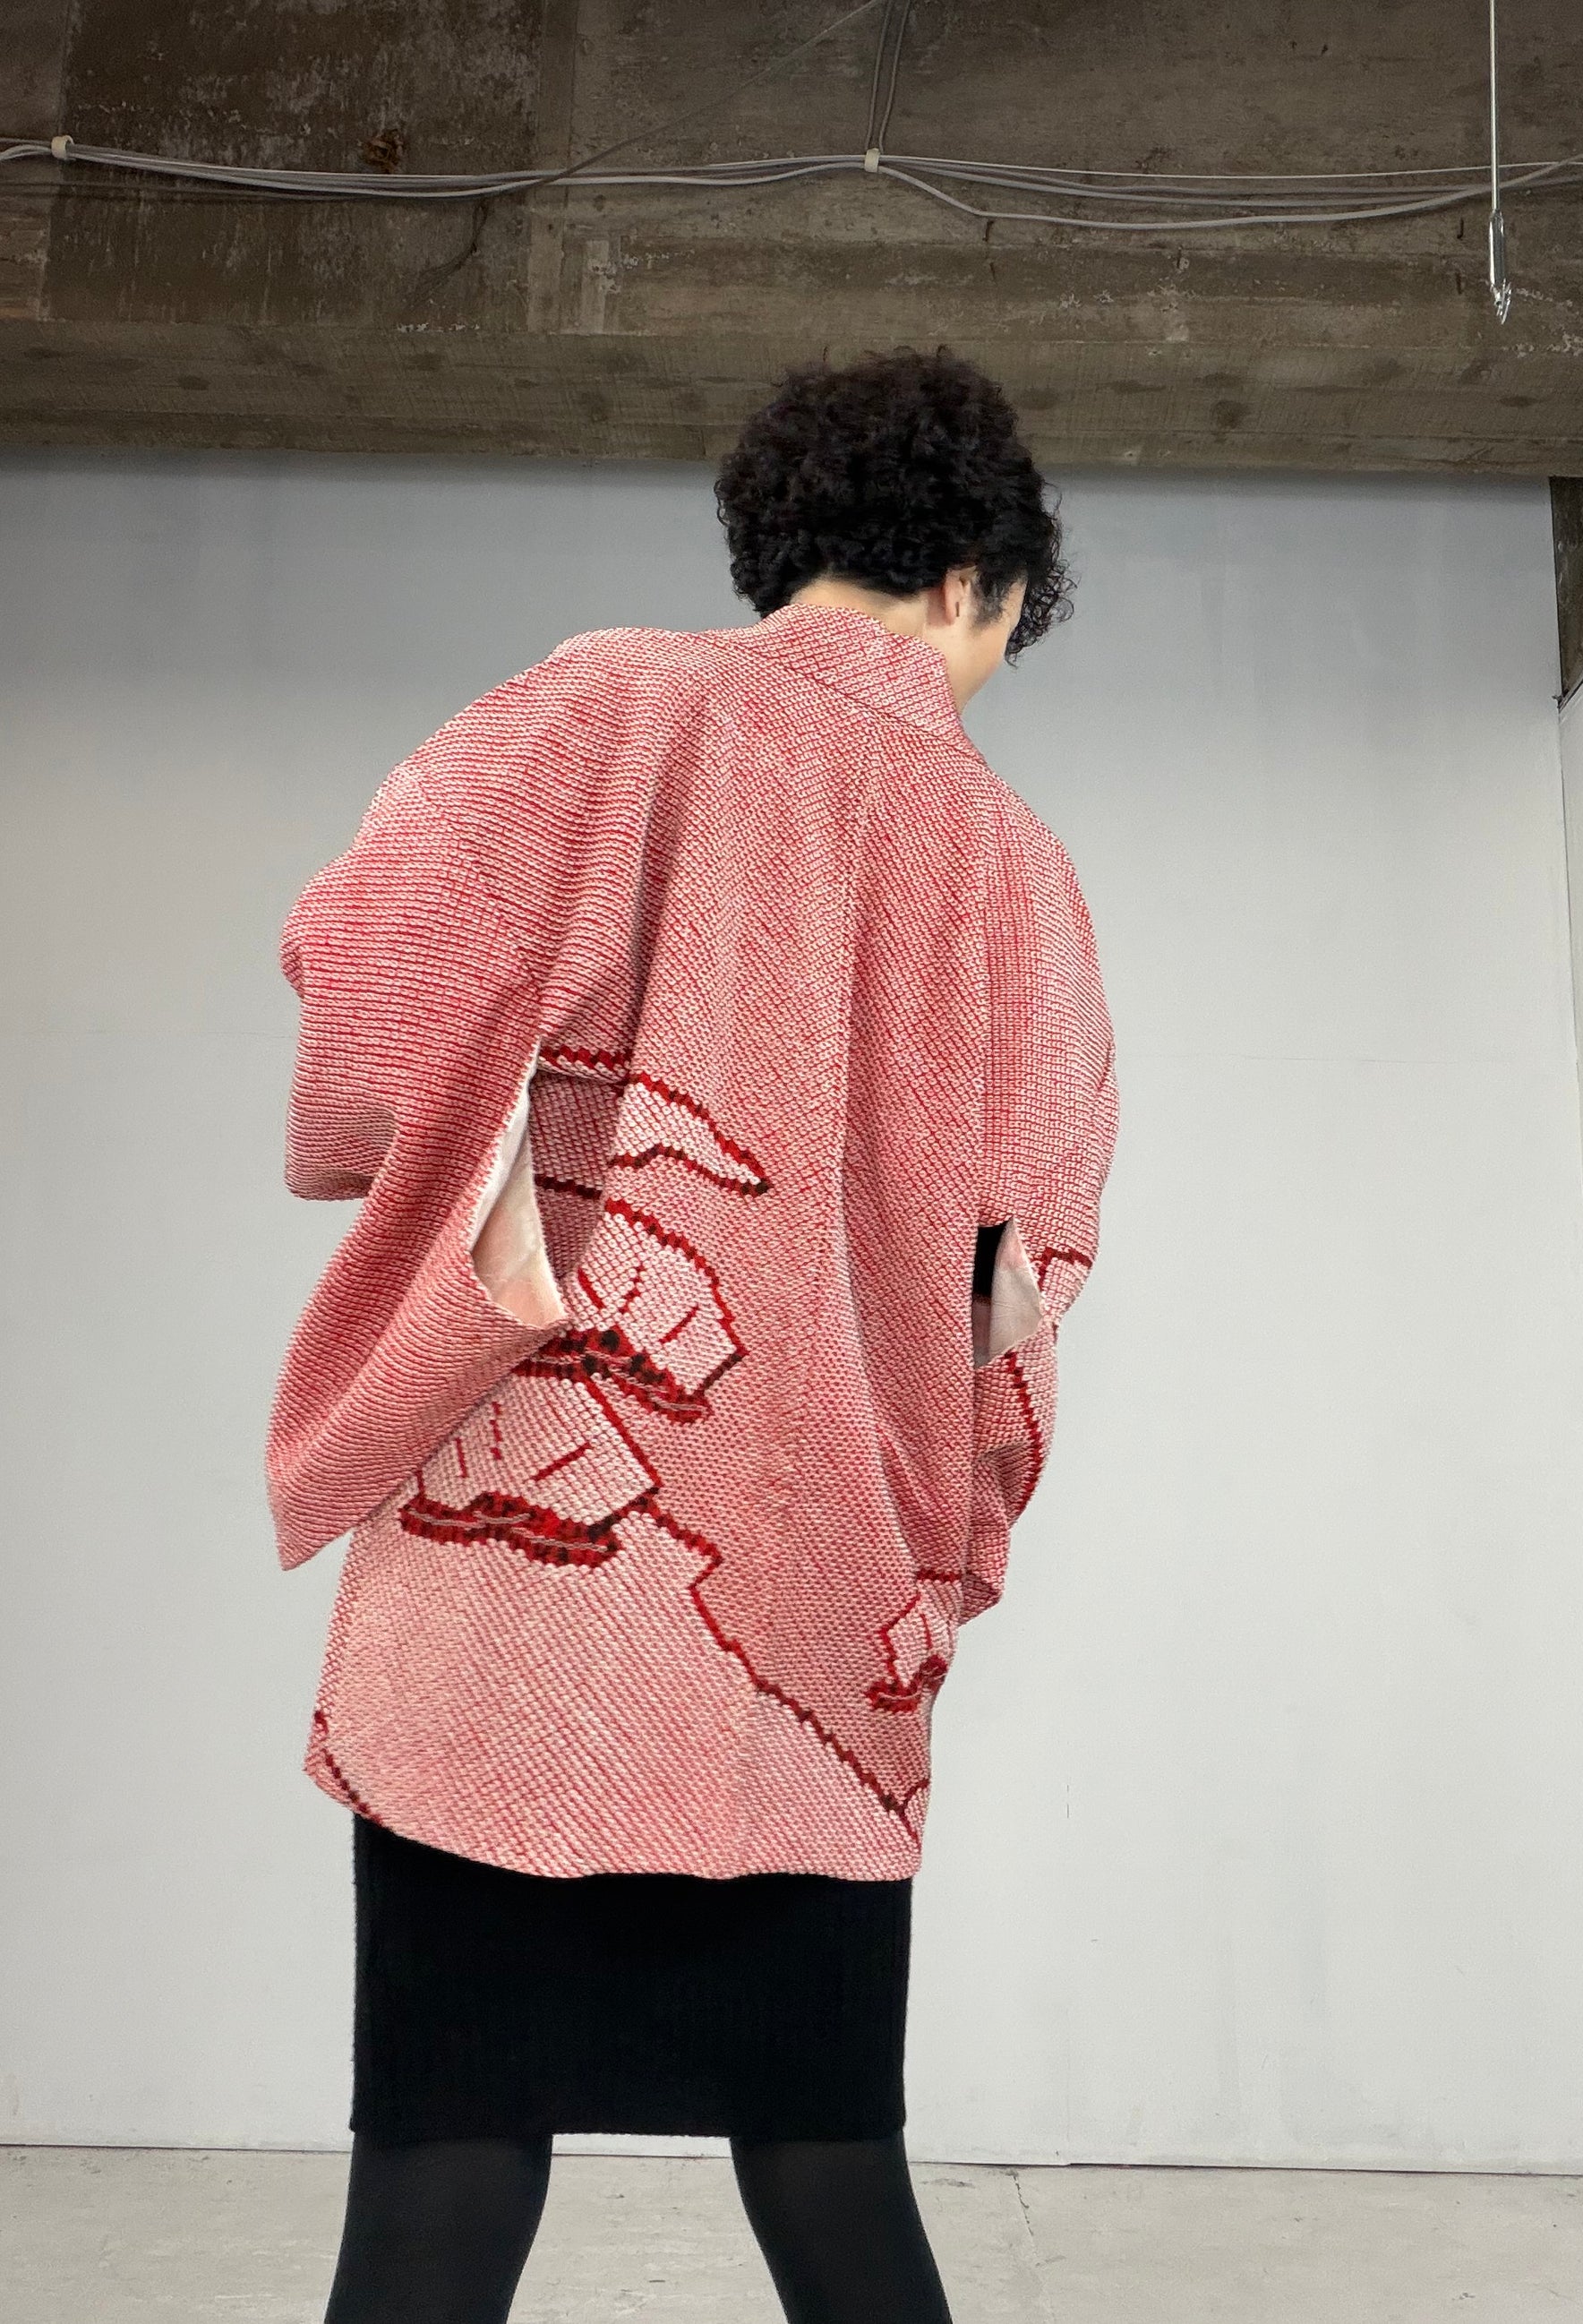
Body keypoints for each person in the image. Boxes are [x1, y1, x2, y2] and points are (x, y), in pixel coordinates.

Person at [269, 346, 1118, 2324]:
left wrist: (509, 1237)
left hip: (522, 1587)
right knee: (827, 2151)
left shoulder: (603, 703)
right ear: (971, 578)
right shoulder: (1009, 862)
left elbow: (372, 965)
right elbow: (1018, 1266)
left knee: (446, 2148)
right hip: (801, 1609)